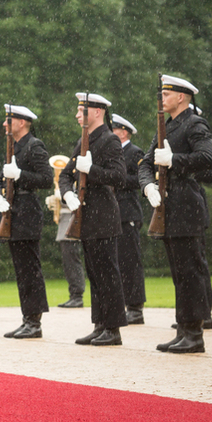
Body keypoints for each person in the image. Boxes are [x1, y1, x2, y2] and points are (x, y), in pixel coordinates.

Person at [138, 75, 212, 354]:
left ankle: (194, 334)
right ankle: (183, 329)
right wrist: (147, 185)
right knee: (179, 273)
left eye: (166, 94)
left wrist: (175, 161)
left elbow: (209, 159)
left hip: (186, 204)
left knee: (190, 273)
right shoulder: (167, 125)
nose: (162, 98)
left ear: (182, 97)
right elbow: (146, 163)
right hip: (168, 206)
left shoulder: (194, 123)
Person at [60, 93, 128, 347]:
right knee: (95, 273)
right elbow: (66, 174)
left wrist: (92, 171)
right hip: (86, 216)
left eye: (82, 110)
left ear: (97, 112)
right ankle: (100, 324)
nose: (77, 115)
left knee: (108, 274)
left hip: (104, 215)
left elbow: (119, 177)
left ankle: (113, 328)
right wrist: (68, 193)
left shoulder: (110, 140)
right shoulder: (84, 140)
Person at [0, 104, 53, 339]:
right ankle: (27, 318)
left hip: (27, 213)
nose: (5, 125)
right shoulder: (13, 147)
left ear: (21, 122)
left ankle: (34, 322)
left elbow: (46, 179)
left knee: (31, 270)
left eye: (9, 120)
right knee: (21, 270)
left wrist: (20, 176)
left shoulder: (33, 145)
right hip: (12, 214)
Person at [111, 113, 147, 324]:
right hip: (114, 213)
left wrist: (117, 179)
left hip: (128, 211)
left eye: (114, 129)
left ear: (123, 132)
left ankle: (135, 307)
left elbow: (140, 180)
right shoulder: (113, 153)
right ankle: (124, 303)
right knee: (117, 261)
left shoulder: (134, 153)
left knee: (130, 261)